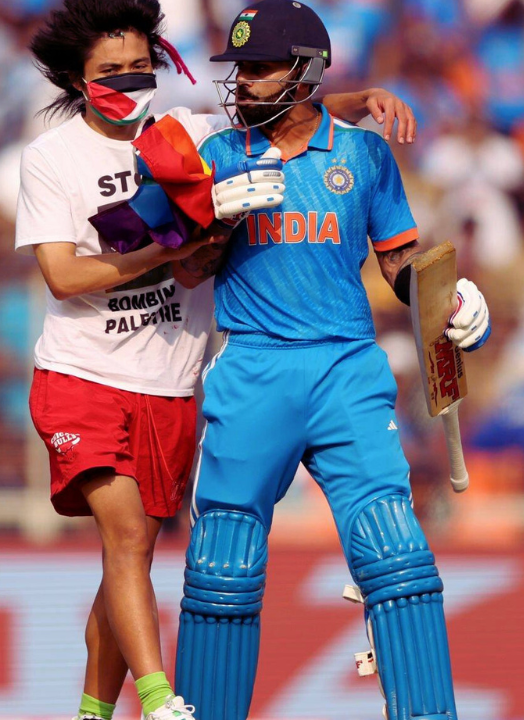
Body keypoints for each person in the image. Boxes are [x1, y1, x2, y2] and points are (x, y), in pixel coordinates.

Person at [14, 2, 417, 719]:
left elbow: (288, 111)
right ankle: (160, 697)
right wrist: (173, 252)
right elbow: (65, 277)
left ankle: (91, 712)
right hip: (83, 375)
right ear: (77, 78)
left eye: (140, 65)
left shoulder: (194, 135)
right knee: (130, 538)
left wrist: (365, 100)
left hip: (171, 380)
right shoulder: (52, 157)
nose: (128, 80)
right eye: (109, 71)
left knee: (124, 564)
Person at [169, 2, 491, 718]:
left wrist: (453, 300)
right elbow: (188, 272)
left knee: (396, 552)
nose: (245, 84)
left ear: (308, 71)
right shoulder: (218, 156)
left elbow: (401, 264)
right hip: (252, 366)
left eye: (260, 69)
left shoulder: (364, 156)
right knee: (224, 562)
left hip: (347, 369)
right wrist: (218, 225)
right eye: (240, 70)